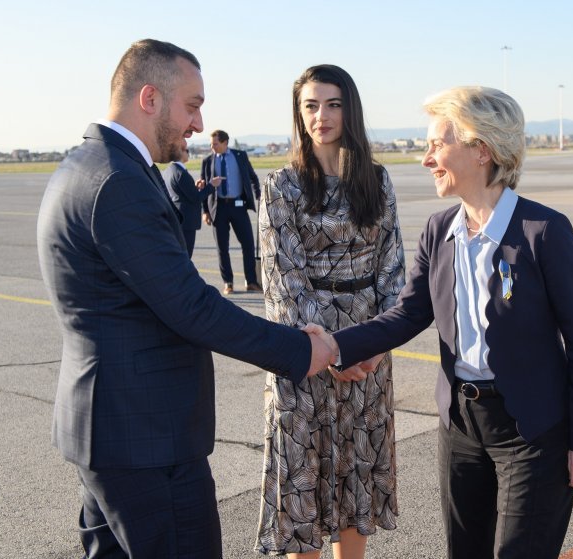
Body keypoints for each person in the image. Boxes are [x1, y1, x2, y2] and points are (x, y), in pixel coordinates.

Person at [36, 39, 336, 559]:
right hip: (144, 440)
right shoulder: (117, 182)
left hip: (110, 431)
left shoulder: (88, 165)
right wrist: (299, 350)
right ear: (149, 98)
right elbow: (190, 306)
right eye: (192, 106)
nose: (198, 124)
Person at [308, 86, 573, 559]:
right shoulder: (439, 229)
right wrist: (333, 346)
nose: (427, 159)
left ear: (481, 149)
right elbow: (407, 313)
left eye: (436, 145)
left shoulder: (544, 232)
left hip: (531, 430)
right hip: (462, 426)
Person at [255, 64, 406, 559]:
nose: (322, 116)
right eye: (311, 106)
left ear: (351, 110)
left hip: (368, 346)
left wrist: (372, 347)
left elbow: (393, 270)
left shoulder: (377, 181)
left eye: (334, 104)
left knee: (357, 468)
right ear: (299, 115)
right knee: (304, 472)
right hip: (305, 346)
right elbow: (282, 277)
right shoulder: (281, 185)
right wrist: (327, 351)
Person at [201, 129, 262, 294]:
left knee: (248, 244)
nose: (212, 147)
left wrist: (258, 194)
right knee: (222, 247)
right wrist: (205, 210)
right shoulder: (207, 161)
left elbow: (252, 177)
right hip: (218, 207)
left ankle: (251, 281)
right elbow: (204, 188)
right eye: (211, 144)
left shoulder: (240, 156)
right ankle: (228, 282)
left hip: (238, 205)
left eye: (215, 144)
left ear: (225, 142)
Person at [162, 145, 208, 257]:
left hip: (177, 218)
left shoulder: (169, 170)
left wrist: (194, 187)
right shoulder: (181, 173)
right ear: (181, 153)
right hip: (187, 220)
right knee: (187, 255)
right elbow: (196, 198)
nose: (188, 153)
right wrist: (211, 186)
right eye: (187, 151)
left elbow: (182, 193)